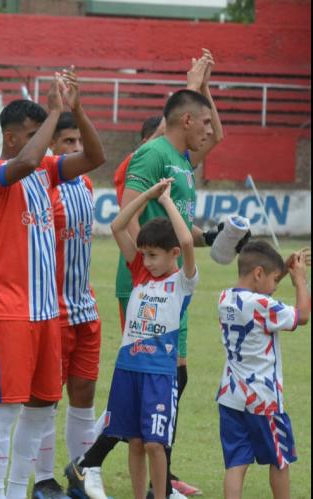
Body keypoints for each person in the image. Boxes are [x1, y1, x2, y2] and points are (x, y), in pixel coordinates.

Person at [0, 68, 105, 499]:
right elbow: (28, 159)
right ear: (13, 137)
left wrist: (77, 111)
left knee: (41, 408)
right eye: (36, 132)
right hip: (5, 313)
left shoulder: (47, 172)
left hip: (46, 314)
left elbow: (95, 158)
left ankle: (16, 492)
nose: (47, 140)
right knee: (5, 410)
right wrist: (54, 111)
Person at [113, 50, 223, 498]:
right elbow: (127, 214)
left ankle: (164, 479)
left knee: (172, 379)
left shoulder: (183, 160)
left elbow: (214, 136)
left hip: (170, 277)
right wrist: (146, 262)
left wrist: (204, 87)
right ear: (186, 122)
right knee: (151, 379)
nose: (212, 129)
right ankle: (93, 465)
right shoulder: (154, 153)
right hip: (146, 281)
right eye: (205, 121)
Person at [69, 178, 198, 499]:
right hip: (127, 370)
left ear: (173, 254)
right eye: (145, 255)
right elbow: (117, 225)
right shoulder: (140, 271)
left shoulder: (183, 281)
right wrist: (147, 195)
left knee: (156, 443)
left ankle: (162, 494)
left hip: (159, 374)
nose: (148, 262)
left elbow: (187, 241)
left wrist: (166, 201)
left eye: (154, 255)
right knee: (135, 441)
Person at [30, 112, 102, 499]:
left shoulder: (87, 184)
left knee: (84, 394)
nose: (75, 149)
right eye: (67, 143)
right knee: (45, 398)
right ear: (51, 148)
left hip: (85, 309)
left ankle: (81, 475)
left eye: (78, 142)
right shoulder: (43, 186)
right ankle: (43, 479)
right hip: (50, 312)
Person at [216, 241, 309, 499]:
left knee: (236, 464)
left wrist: (279, 266)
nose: (276, 286)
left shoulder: (224, 298)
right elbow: (302, 315)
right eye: (275, 279)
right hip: (263, 398)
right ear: (258, 274)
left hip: (231, 395)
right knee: (279, 460)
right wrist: (300, 280)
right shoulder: (262, 305)